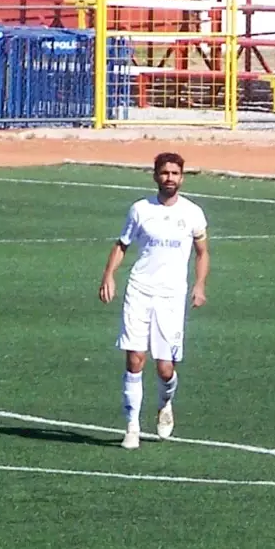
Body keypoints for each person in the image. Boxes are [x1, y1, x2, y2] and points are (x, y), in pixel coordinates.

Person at [99, 152, 210, 450]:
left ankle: (165, 403)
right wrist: (109, 276)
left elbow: (202, 252)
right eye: (164, 173)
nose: (169, 178)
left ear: (182, 177)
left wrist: (199, 285)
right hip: (139, 290)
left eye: (175, 173)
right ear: (155, 176)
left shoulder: (192, 213)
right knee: (135, 358)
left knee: (164, 368)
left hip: (171, 296)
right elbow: (122, 245)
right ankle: (132, 427)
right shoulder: (139, 210)